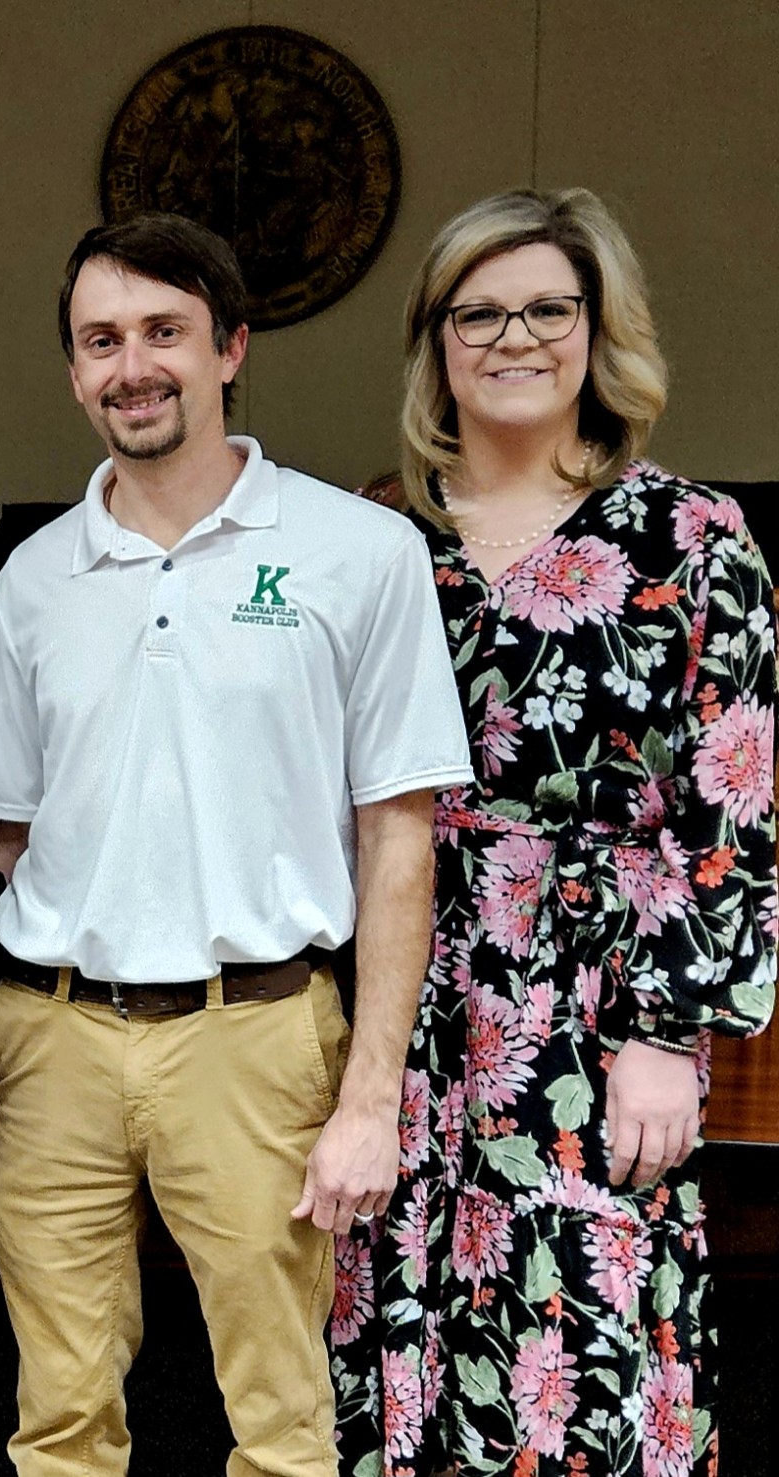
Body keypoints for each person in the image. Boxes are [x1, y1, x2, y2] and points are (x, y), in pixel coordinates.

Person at [0, 214, 475, 1477]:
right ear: (72, 370)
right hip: (50, 1038)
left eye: (164, 332)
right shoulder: (36, 578)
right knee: (58, 1424)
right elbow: (0, 843)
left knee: (281, 1425)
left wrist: (370, 1097)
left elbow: (401, 836)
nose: (133, 366)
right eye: (101, 340)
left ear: (231, 347)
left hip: (260, 1032)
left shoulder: (359, 552)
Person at [330, 188, 775, 1477]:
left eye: (546, 308)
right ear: (434, 343)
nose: (513, 336)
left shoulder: (694, 541)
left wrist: (663, 1034)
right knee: (395, 1334)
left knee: (578, 1347)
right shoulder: (375, 539)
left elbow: (731, 809)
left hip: (594, 1011)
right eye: (478, 312)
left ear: (597, 329)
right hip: (403, 998)